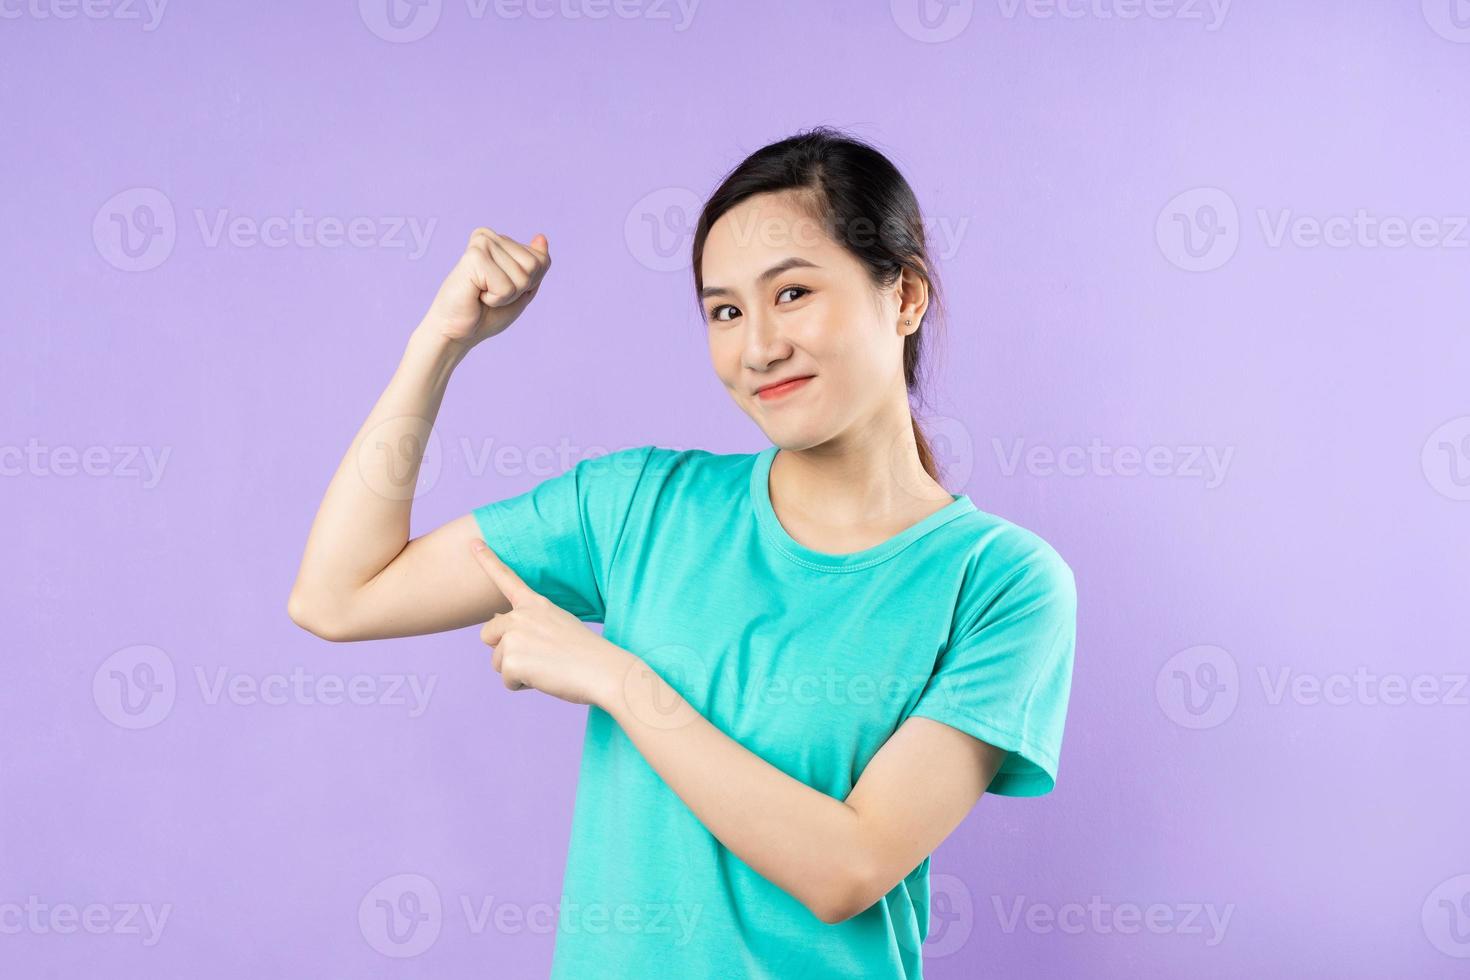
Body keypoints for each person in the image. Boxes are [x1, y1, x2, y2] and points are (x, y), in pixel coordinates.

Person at [288, 125, 1077, 979]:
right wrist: (439, 344)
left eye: (794, 294)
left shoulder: (1001, 583)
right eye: (725, 311)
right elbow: (339, 596)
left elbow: (848, 868)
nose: (758, 347)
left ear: (905, 296)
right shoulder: (637, 507)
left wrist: (616, 678)